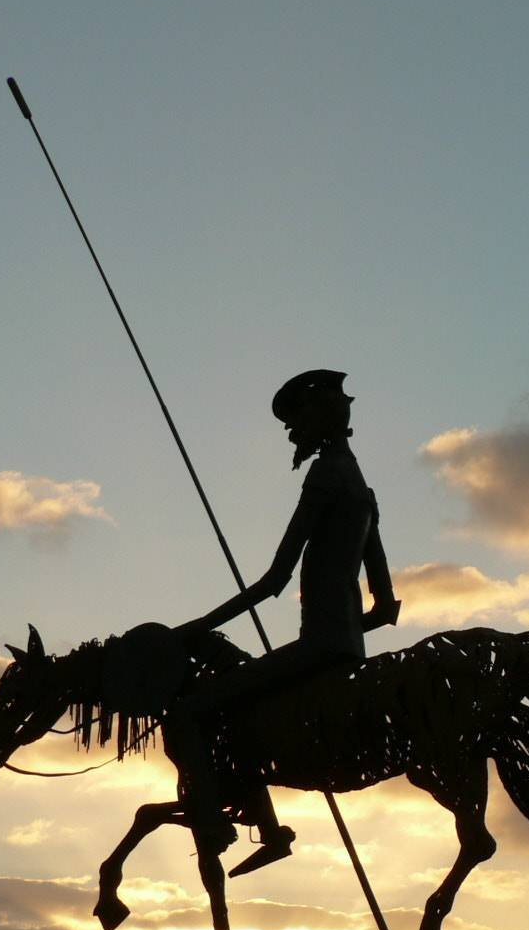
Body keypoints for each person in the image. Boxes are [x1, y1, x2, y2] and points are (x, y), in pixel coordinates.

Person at [168, 369, 401, 877]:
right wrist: (348, 631)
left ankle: (217, 827)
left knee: (189, 713)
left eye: (295, 424)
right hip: (346, 649)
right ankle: (270, 833)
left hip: (317, 648)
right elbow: (385, 608)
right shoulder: (365, 492)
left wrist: (196, 628)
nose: (293, 436)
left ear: (317, 421)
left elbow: (277, 577)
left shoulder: (324, 478)